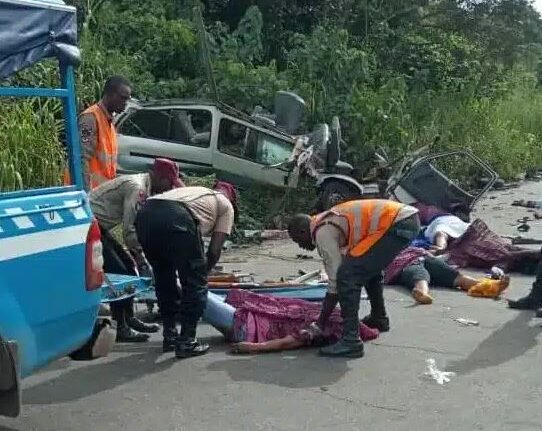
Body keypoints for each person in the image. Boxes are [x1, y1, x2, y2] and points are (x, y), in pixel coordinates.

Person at [288, 199, 420, 358]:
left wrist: (319, 323)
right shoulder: (325, 221)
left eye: (297, 240)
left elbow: (336, 281)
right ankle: (379, 318)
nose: (300, 246)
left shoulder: (322, 232)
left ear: (303, 231)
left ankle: (351, 340)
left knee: (348, 276)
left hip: (395, 223)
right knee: (366, 269)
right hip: (404, 220)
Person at [135, 182, 237, 358]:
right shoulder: (226, 206)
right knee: (194, 284)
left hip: (146, 215)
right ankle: (187, 341)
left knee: (163, 277)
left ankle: (170, 336)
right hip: (177, 217)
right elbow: (213, 251)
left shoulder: (193, 192)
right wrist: (201, 277)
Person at [89, 158, 184, 342]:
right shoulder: (138, 188)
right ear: (159, 178)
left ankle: (129, 318)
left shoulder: (144, 185)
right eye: (168, 184)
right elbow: (129, 230)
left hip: (100, 226)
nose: (168, 189)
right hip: (89, 225)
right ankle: (121, 326)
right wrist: (141, 258)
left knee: (128, 267)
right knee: (121, 272)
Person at [201, 290, 379, 354]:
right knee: (194, 288)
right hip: (248, 311)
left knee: (193, 292)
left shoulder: (334, 325)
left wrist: (254, 347)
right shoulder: (333, 312)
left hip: (245, 325)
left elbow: (291, 342)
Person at [64, 75, 131, 190]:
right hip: (86, 193)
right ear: (109, 94)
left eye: (127, 99)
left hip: (100, 195)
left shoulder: (109, 123)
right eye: (122, 98)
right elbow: (81, 158)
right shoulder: (90, 119)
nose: (125, 103)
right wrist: (84, 194)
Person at [384, 247, 510, 304]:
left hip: (422, 256)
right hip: (403, 265)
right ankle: (422, 294)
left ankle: (492, 286)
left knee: (455, 276)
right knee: (420, 275)